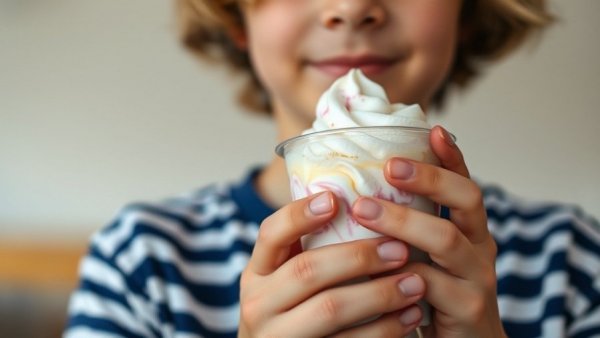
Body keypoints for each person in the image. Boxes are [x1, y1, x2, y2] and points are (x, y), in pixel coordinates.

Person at [64, 0, 600, 337]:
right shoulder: (143, 261)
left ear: (468, 13)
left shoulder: (572, 260)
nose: (351, 7)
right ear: (235, 19)